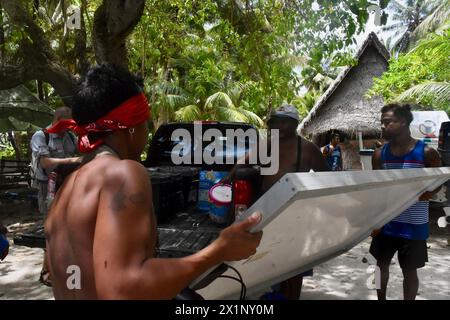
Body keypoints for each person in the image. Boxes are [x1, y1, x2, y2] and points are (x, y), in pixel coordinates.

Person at [44, 63, 263, 299]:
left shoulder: (66, 188)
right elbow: (121, 290)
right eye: (145, 123)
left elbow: (50, 272)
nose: (146, 132)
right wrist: (219, 250)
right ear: (130, 128)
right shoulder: (123, 174)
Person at [227, 104, 330, 300]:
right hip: (269, 209)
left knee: (294, 264)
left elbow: (327, 177)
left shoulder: (308, 149)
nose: (280, 127)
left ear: (295, 124)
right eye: (276, 123)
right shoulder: (267, 145)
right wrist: (227, 180)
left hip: (295, 210)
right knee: (271, 258)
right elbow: (244, 162)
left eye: (285, 122)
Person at [370, 103, 442, 300]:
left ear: (403, 122)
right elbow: (377, 190)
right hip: (386, 222)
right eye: (381, 123)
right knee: (379, 266)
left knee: (410, 272)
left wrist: (431, 191)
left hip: (414, 225)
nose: (383, 126)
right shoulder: (379, 154)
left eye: (387, 122)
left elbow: (439, 181)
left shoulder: (427, 153)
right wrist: (373, 221)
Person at [30, 107, 81, 286]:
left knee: (68, 227)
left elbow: (80, 152)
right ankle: (47, 271)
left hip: (67, 185)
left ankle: (63, 268)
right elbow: (45, 163)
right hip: (47, 187)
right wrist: (73, 161)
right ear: (58, 119)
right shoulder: (40, 136)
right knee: (50, 227)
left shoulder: (70, 136)